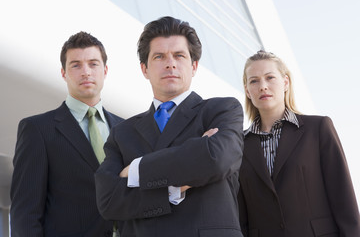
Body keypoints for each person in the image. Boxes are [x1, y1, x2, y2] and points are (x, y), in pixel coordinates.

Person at [95, 16, 244, 237]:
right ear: (144, 69)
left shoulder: (222, 110)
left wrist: (137, 170)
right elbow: (108, 201)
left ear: (193, 66)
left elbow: (217, 159)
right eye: (159, 56)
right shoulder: (122, 133)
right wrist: (177, 185)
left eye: (179, 55)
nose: (170, 63)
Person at [10, 31, 123, 237]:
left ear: (105, 70)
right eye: (76, 65)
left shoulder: (127, 129)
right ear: (64, 73)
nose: (86, 72)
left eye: (93, 63)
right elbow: (24, 213)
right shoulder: (37, 130)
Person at [237, 50, 360, 236]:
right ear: (247, 90)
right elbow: (240, 214)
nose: (263, 86)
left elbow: (343, 197)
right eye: (254, 81)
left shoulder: (318, 129)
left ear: (285, 82)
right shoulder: (239, 144)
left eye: (270, 77)